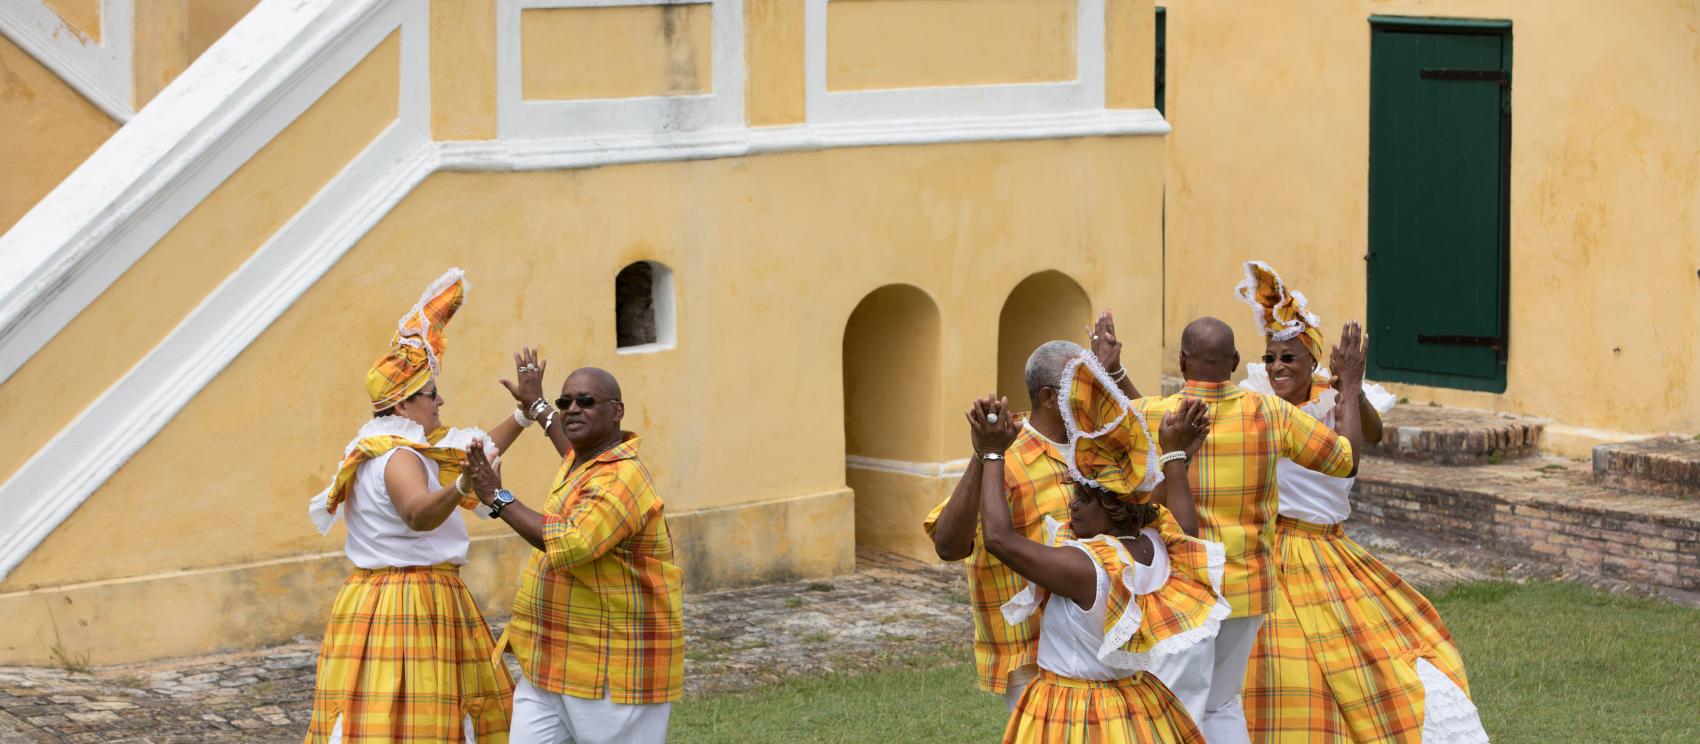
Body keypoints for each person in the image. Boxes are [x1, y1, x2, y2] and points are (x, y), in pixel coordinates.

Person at [1073, 312, 1363, 744]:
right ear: (1236, 362)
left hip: (1178, 589)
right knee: (1222, 704)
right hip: (1248, 589)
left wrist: (1106, 369)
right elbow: (1346, 459)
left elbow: (1094, 424)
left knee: (1174, 707)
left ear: (1182, 362)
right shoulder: (1272, 413)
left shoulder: (1153, 415)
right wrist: (1351, 387)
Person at [1232, 261, 1487, 743]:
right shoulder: (1256, 403)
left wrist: (1350, 386)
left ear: (1312, 362)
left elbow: (1358, 446)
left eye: (1288, 358)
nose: (1277, 367)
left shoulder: (1335, 403)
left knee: (1358, 651)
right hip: (1269, 547)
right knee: (1274, 656)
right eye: (1270, 358)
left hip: (1326, 549)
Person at [304, 268, 547, 743]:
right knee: (422, 716)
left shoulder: (382, 447)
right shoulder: (399, 457)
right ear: (402, 405)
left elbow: (473, 453)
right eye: (431, 394)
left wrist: (523, 415)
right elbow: (417, 513)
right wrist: (461, 489)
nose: (440, 402)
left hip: (377, 597)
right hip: (410, 601)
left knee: (375, 715)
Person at [971, 390, 1225, 743]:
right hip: (1133, 703)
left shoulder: (1088, 568)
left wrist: (992, 453)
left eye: (1085, 498)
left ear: (1114, 506)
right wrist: (1176, 457)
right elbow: (1186, 528)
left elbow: (999, 539)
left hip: (1075, 709)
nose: (1072, 506)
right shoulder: (1156, 544)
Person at [462, 366, 682, 744]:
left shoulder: (621, 477)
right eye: (565, 402)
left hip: (612, 668)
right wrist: (538, 406)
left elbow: (573, 543)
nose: (572, 409)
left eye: (587, 401)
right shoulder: (584, 460)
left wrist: (498, 498)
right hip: (551, 662)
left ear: (617, 411)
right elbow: (564, 440)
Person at [924, 340, 1111, 708]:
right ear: (1048, 397)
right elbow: (948, 545)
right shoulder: (1007, 453)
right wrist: (985, 453)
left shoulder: (1097, 446)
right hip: (1032, 650)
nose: (1096, 396)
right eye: (1086, 386)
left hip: (1096, 637)